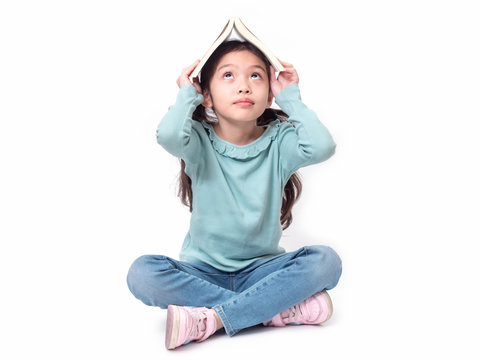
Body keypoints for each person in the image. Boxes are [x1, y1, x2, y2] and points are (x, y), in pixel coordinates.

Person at [127, 40, 342, 350]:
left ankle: (212, 318)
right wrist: (187, 94)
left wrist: (292, 99)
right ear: (207, 96)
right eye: (228, 76)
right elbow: (169, 135)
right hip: (202, 273)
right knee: (143, 273)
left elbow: (322, 147)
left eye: (255, 76)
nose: (243, 86)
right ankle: (273, 310)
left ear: (270, 94)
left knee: (326, 261)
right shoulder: (198, 141)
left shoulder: (279, 142)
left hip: (262, 272)